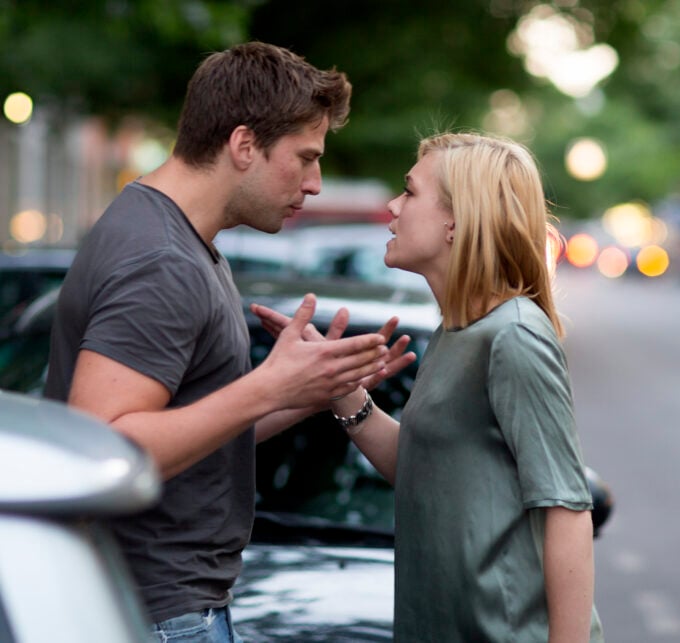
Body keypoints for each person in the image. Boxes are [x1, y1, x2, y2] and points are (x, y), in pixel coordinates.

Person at [43, 42, 414, 643]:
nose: (315, 182)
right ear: (244, 145)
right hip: (158, 612)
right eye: (305, 157)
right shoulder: (161, 259)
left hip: (163, 603)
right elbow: (103, 447)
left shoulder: (178, 237)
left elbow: (184, 430)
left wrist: (305, 392)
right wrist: (269, 384)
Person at [253, 131, 604, 642]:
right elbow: (425, 470)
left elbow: (567, 511)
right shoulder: (456, 331)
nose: (393, 207)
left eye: (410, 192)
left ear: (457, 221)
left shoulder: (515, 335)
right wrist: (338, 386)